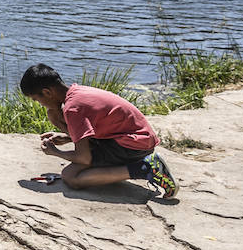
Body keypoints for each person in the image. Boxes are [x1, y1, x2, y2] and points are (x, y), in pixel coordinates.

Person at [21, 63, 177, 198]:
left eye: (36, 99)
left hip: (134, 146)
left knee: (71, 176)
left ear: (48, 92)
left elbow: (84, 158)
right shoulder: (76, 92)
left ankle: (145, 168)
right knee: (72, 164)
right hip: (135, 139)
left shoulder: (72, 109)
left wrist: (55, 152)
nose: (39, 103)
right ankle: (141, 165)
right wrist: (69, 137)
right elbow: (98, 126)